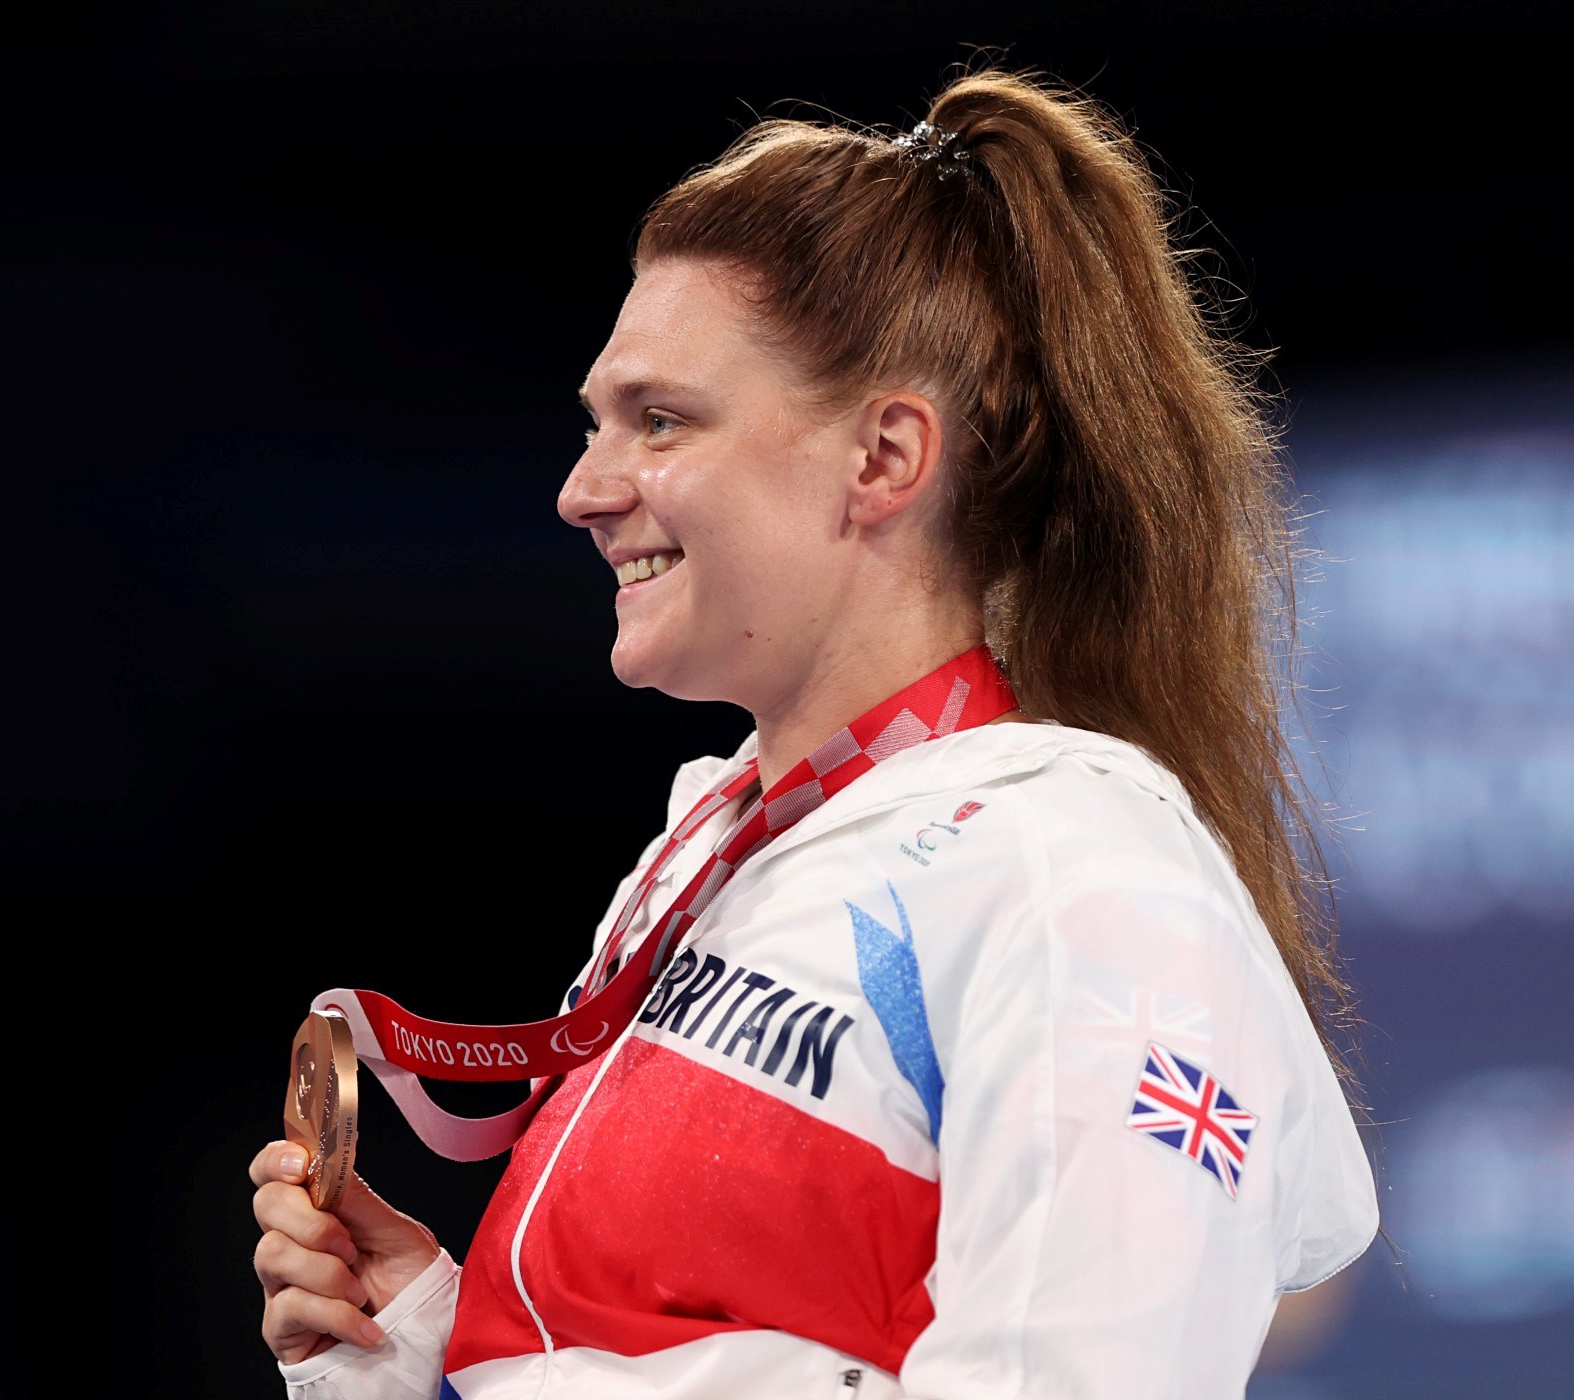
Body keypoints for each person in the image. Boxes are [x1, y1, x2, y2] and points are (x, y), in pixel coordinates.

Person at [247, 67, 1379, 1399]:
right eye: (595, 426)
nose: (581, 491)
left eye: (660, 422)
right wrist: (429, 1347)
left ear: (885, 459)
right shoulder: (719, 847)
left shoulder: (1075, 871)